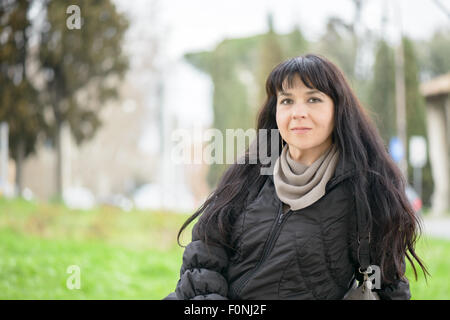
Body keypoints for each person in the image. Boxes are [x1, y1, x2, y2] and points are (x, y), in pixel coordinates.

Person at [164, 54, 429, 300]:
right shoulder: (251, 172)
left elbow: (385, 283)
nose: (297, 112)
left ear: (338, 109)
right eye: (287, 100)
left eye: (313, 99)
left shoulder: (364, 190)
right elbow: (206, 252)